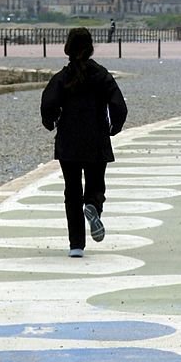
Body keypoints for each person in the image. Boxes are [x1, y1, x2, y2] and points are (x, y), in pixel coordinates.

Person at [40, 27, 127, 258]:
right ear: (90, 48)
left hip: (68, 141)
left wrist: (51, 122)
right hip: (96, 138)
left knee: (71, 191)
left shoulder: (62, 77)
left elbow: (48, 105)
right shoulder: (101, 75)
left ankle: (76, 245)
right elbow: (119, 105)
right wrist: (114, 127)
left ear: (67, 48)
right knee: (96, 184)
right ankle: (93, 206)